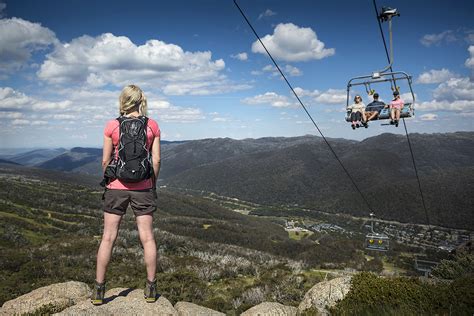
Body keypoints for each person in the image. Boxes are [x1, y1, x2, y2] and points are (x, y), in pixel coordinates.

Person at [92, 85, 161, 305]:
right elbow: (157, 160)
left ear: (123, 100)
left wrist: (109, 180)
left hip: (116, 188)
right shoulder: (152, 125)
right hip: (143, 188)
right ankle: (150, 289)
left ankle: (99, 291)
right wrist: (152, 183)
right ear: (141, 101)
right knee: (148, 238)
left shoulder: (112, 125)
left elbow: (105, 160)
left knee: (108, 238)